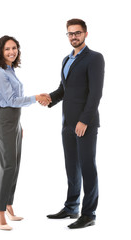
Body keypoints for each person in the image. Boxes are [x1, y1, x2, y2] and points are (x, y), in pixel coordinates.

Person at [40, 19, 105, 229]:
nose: (73, 37)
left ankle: (89, 214)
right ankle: (71, 207)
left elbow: (95, 94)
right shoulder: (66, 59)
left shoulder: (94, 58)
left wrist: (84, 120)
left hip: (84, 123)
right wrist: (48, 98)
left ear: (85, 34)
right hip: (67, 123)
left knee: (87, 167)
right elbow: (64, 90)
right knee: (71, 167)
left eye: (77, 33)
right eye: (70, 33)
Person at [0, 35, 51, 230]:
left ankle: (8, 204)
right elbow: (11, 101)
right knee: (7, 166)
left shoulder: (11, 70)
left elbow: (15, 102)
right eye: (7, 49)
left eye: (14, 48)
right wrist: (36, 97)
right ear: (0, 51)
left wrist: (19, 125)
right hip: (5, 120)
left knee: (15, 165)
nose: (11, 52)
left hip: (14, 122)